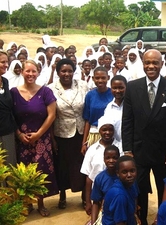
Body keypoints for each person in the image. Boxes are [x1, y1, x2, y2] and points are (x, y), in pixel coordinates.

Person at [122, 49, 166, 225]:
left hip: (164, 153)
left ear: (161, 64)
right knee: (139, 190)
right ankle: (141, 219)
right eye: (147, 63)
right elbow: (127, 121)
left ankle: (162, 220)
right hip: (139, 152)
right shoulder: (132, 87)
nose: (151, 66)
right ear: (143, 64)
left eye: (155, 63)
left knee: (163, 189)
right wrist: (128, 150)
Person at [10, 59, 58, 216]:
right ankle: (27, 203)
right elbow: (10, 116)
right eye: (27, 71)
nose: (30, 74)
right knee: (23, 173)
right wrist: (18, 134)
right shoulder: (13, 93)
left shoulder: (45, 92)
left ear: (38, 72)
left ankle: (41, 203)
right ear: (22, 72)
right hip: (22, 140)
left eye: (33, 71)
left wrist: (38, 134)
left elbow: (52, 115)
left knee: (41, 170)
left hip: (41, 140)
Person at [48, 58, 88, 210]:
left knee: (82, 165)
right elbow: (50, 115)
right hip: (61, 133)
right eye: (63, 71)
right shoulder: (51, 89)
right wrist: (52, 139)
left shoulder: (83, 85)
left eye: (70, 71)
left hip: (81, 132)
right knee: (62, 166)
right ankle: (62, 195)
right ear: (58, 72)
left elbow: (88, 108)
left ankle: (85, 197)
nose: (67, 74)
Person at [80, 116, 122, 216]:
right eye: (104, 129)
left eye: (110, 129)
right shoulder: (92, 149)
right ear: (99, 130)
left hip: (117, 194)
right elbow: (88, 178)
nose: (107, 132)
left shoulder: (121, 147)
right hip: (97, 196)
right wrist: (88, 201)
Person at [81, 67, 113, 154]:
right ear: (93, 78)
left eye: (103, 78)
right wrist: (84, 142)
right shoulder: (90, 95)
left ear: (108, 78)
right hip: (94, 134)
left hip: (110, 134)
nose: (100, 80)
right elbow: (87, 120)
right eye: (97, 78)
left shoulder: (113, 94)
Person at [102, 155, 139, 225]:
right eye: (124, 172)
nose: (129, 175)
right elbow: (120, 222)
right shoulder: (119, 196)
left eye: (132, 171)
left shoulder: (132, 184)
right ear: (118, 173)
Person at [90, 145, 120, 225]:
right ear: (104, 159)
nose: (111, 160)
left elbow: (134, 197)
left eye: (114, 158)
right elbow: (95, 203)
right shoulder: (100, 178)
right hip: (106, 216)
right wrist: (93, 223)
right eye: (108, 158)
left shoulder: (124, 176)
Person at [0, 50, 17, 166]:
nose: (6, 65)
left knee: (10, 165)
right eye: (2, 62)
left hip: (8, 130)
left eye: (7, 62)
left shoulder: (5, 82)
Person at [103, 75, 127, 143]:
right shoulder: (109, 107)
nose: (117, 91)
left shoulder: (132, 105)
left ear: (126, 88)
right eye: (114, 88)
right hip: (115, 146)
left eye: (121, 88)